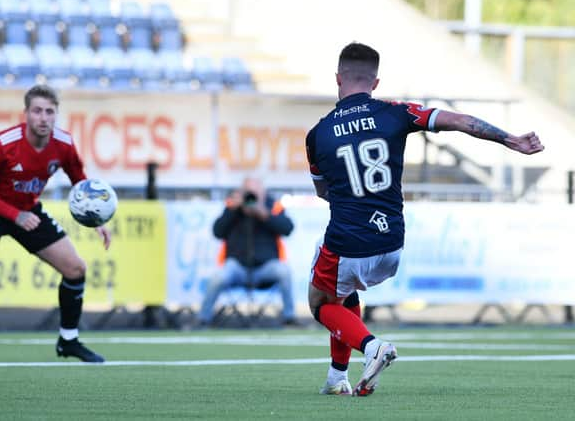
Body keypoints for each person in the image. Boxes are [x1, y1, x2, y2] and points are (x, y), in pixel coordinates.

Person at [305, 42, 544, 396]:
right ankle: (336, 378)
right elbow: (460, 121)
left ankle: (372, 347)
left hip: (348, 240)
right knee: (345, 288)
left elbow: (323, 191)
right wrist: (509, 140)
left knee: (321, 303)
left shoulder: (317, 135)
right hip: (392, 243)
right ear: (376, 82)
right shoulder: (395, 113)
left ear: (337, 78)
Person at [0, 85, 112, 365]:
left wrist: (96, 219)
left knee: (76, 268)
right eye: (38, 111)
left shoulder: (63, 144)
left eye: (49, 112)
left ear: (56, 115)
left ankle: (68, 340)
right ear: (26, 113)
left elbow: (79, 179)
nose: (43, 118)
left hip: (27, 211)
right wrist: (13, 215)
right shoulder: (2, 144)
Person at [198, 177, 297, 326]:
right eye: (248, 193)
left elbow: (288, 228)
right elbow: (217, 231)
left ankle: (290, 318)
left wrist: (264, 214)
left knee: (284, 271)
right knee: (218, 276)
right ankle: (203, 319)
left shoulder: (272, 206)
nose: (251, 197)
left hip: (266, 267)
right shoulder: (232, 207)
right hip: (237, 267)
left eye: (255, 193)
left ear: (262, 193)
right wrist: (233, 210)